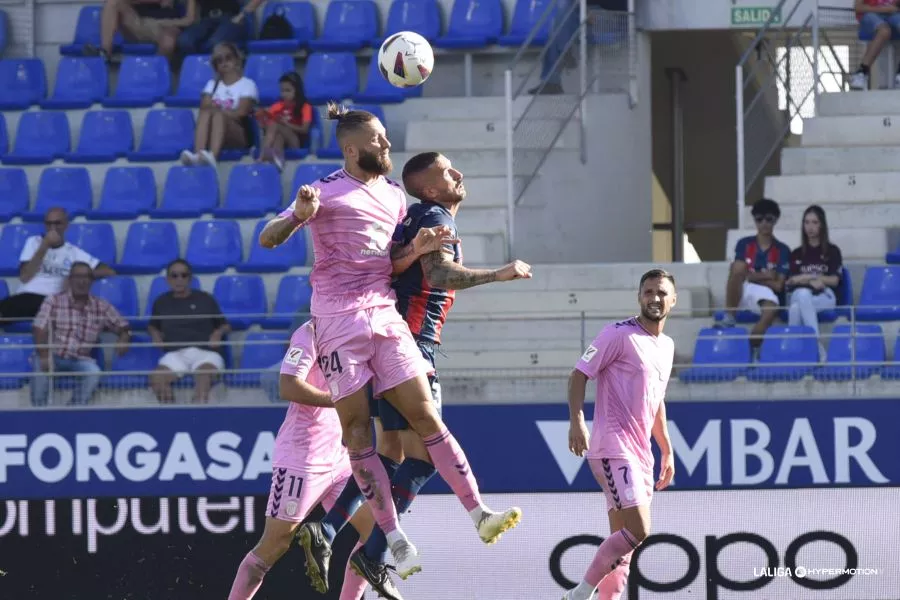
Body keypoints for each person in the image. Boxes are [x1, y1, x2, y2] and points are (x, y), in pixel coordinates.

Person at [258, 104, 523, 590]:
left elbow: (392, 265)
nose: (386, 145)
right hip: (336, 325)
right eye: (377, 140)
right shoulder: (325, 191)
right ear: (353, 148)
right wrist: (298, 217)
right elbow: (267, 238)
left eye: (385, 137)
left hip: (384, 317)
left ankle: (477, 511)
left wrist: (416, 251)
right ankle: (388, 538)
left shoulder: (397, 199)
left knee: (425, 420)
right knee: (361, 436)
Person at [227, 320, 370, 600]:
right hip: (302, 457)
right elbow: (288, 385)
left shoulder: (359, 330)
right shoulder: (311, 332)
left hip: (341, 457)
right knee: (275, 545)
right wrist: (338, 400)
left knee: (377, 533)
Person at [562, 269, 677, 600]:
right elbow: (578, 375)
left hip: (641, 455)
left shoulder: (666, 346)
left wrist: (666, 448)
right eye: (648, 292)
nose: (654, 298)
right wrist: (577, 420)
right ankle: (580, 593)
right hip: (613, 448)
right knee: (639, 530)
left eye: (661, 292)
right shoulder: (617, 334)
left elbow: (656, 400)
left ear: (673, 300)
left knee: (624, 548)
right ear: (639, 297)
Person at [31, 262, 131, 406]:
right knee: (39, 366)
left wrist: (125, 337)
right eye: (78, 276)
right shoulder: (54, 300)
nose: (82, 281)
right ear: (70, 279)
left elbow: (124, 326)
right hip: (53, 354)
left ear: (92, 281)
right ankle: (38, 414)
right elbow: (39, 327)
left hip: (80, 359)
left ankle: (72, 411)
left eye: (87, 277)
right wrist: (44, 355)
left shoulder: (101, 306)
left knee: (94, 372)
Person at [0, 207, 115, 329]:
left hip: (53, 300)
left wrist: (76, 275)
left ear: (66, 225)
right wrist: (44, 246)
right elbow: (24, 276)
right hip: (25, 298)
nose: (52, 228)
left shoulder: (74, 252)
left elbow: (109, 271)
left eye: (57, 223)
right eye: (49, 223)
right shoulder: (33, 242)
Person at [147, 259, 231, 403]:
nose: (179, 279)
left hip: (206, 353)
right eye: (174, 275)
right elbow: (152, 325)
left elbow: (225, 325)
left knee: (204, 378)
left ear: (190, 278)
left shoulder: (205, 299)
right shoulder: (161, 302)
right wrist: (155, 334)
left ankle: (197, 420)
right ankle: (172, 417)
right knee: (157, 379)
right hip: (175, 353)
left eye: (184, 275)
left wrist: (218, 333)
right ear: (168, 279)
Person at [719, 198, 791, 352]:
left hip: (767, 295)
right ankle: (730, 317)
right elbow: (738, 273)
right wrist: (766, 275)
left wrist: (751, 275)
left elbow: (779, 285)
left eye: (769, 219)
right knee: (737, 267)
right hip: (743, 290)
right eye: (759, 219)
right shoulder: (744, 244)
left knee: (770, 311)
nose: (764, 223)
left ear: (775, 220)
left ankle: (750, 349)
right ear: (755, 221)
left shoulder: (783, 250)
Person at [180, 41, 258, 169]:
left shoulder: (248, 84)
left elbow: (241, 113)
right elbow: (204, 107)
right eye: (219, 60)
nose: (224, 63)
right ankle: (198, 154)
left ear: (237, 60)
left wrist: (219, 110)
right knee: (206, 113)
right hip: (214, 130)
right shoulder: (212, 84)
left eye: (228, 58)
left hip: (239, 133)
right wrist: (218, 110)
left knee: (218, 115)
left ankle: (213, 156)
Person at [786, 205, 843, 343]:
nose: (810, 227)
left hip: (825, 295)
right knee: (803, 295)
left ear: (822, 225)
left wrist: (807, 277)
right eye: (806, 222)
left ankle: (795, 352)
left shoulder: (832, 251)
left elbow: (834, 280)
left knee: (795, 310)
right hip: (799, 293)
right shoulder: (796, 253)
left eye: (814, 222)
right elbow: (790, 281)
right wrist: (810, 280)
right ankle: (816, 346)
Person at [93, 0, 192, 60]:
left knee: (168, 41)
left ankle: (154, 73)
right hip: (138, 22)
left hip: (166, 23)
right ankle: (104, 53)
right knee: (112, 2)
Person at [255, 72, 313, 172]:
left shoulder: (305, 107)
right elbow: (268, 127)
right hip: (279, 137)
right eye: (282, 91)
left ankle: (263, 155)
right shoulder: (277, 106)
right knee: (278, 136)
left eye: (288, 90)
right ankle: (278, 162)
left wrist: (286, 124)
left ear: (297, 90)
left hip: (295, 141)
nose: (284, 94)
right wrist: (262, 120)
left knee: (276, 125)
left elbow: (305, 129)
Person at [176, 0, 260, 55]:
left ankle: (216, 75)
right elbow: (190, 17)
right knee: (184, 40)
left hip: (230, 18)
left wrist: (242, 15)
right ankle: (197, 70)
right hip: (206, 20)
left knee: (215, 43)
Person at [850, 0, 900, 91]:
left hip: (893, 15)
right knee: (884, 31)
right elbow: (858, 7)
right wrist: (885, 9)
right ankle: (861, 72)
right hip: (871, 15)